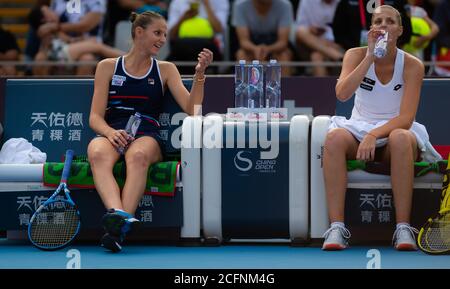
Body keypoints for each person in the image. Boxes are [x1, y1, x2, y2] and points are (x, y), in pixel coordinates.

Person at [87, 11, 213, 252]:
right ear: (138, 32)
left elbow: (193, 111)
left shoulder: (166, 69)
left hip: (146, 134)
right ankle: (118, 222)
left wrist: (199, 75)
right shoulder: (106, 67)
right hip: (112, 131)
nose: (163, 39)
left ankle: (116, 224)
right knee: (96, 153)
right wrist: (111, 133)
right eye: (157, 33)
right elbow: (94, 117)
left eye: (165, 34)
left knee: (137, 156)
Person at [322, 5, 442, 251]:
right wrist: (369, 57)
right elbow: (342, 94)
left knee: (399, 138)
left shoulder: (412, 65)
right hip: (358, 128)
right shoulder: (355, 56)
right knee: (333, 139)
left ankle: (403, 228)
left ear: (399, 30)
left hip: (395, 132)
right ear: (371, 29)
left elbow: (406, 118)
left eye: (389, 22)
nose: (383, 26)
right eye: (378, 22)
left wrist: (375, 134)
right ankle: (336, 228)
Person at [232, 0, 295, 76]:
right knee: (242, 56)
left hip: (275, 47)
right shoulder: (240, 5)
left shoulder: (285, 5)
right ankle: (245, 87)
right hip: (251, 46)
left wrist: (268, 49)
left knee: (284, 56)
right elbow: (244, 41)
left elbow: (282, 42)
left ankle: (284, 87)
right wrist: (255, 49)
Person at [295, 0, 343, 76]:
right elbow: (300, 27)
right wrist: (310, 29)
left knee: (316, 56)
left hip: (336, 44)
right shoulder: (306, 1)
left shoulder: (344, 3)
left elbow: (347, 31)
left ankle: (323, 88)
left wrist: (337, 42)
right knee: (300, 31)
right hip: (310, 44)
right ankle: (337, 56)